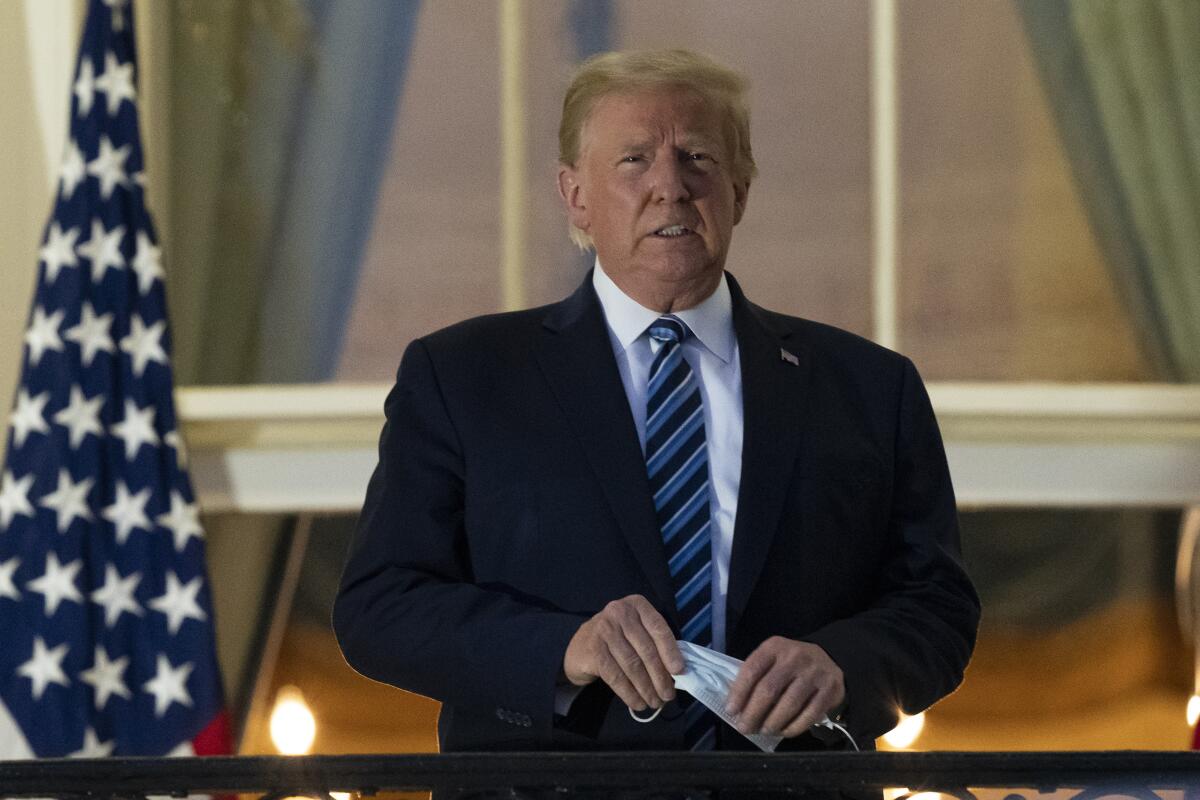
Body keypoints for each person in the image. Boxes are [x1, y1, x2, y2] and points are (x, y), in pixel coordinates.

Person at [333, 49, 979, 759]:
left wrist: (844, 667)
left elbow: (938, 607)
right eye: (634, 160)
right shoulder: (463, 377)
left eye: (698, 157)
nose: (670, 187)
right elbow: (380, 606)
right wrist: (562, 649)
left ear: (740, 190)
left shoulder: (868, 388)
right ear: (575, 195)